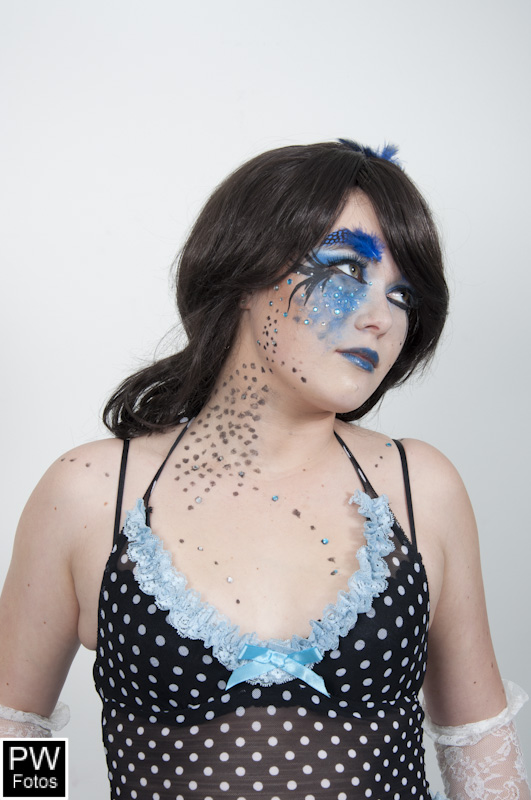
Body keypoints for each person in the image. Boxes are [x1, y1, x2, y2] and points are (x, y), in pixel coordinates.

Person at [0, 139, 528, 800]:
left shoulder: (419, 488)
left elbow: (479, 751)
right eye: (346, 270)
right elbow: (14, 730)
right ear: (245, 270)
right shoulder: (91, 493)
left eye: (402, 295)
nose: (380, 318)